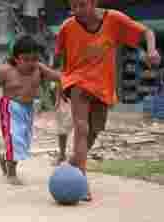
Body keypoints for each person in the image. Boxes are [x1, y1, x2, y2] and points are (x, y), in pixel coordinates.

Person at [55, 0, 161, 201]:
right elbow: (62, 57)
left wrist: (151, 50)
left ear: (94, 2)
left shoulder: (113, 19)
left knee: (95, 130)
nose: (77, 11)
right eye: (73, 6)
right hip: (77, 80)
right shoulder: (67, 27)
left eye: (82, 5)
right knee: (81, 127)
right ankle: (81, 181)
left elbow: (147, 32)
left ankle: (73, 164)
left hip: (103, 86)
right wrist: (62, 83)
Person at [0, 35, 61, 185]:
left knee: (24, 141)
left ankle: (5, 157)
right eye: (26, 59)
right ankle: (11, 174)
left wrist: (72, 79)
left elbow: (55, 76)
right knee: (15, 138)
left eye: (34, 59)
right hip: (10, 107)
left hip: (28, 109)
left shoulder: (39, 68)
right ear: (16, 58)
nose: (31, 63)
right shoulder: (6, 71)